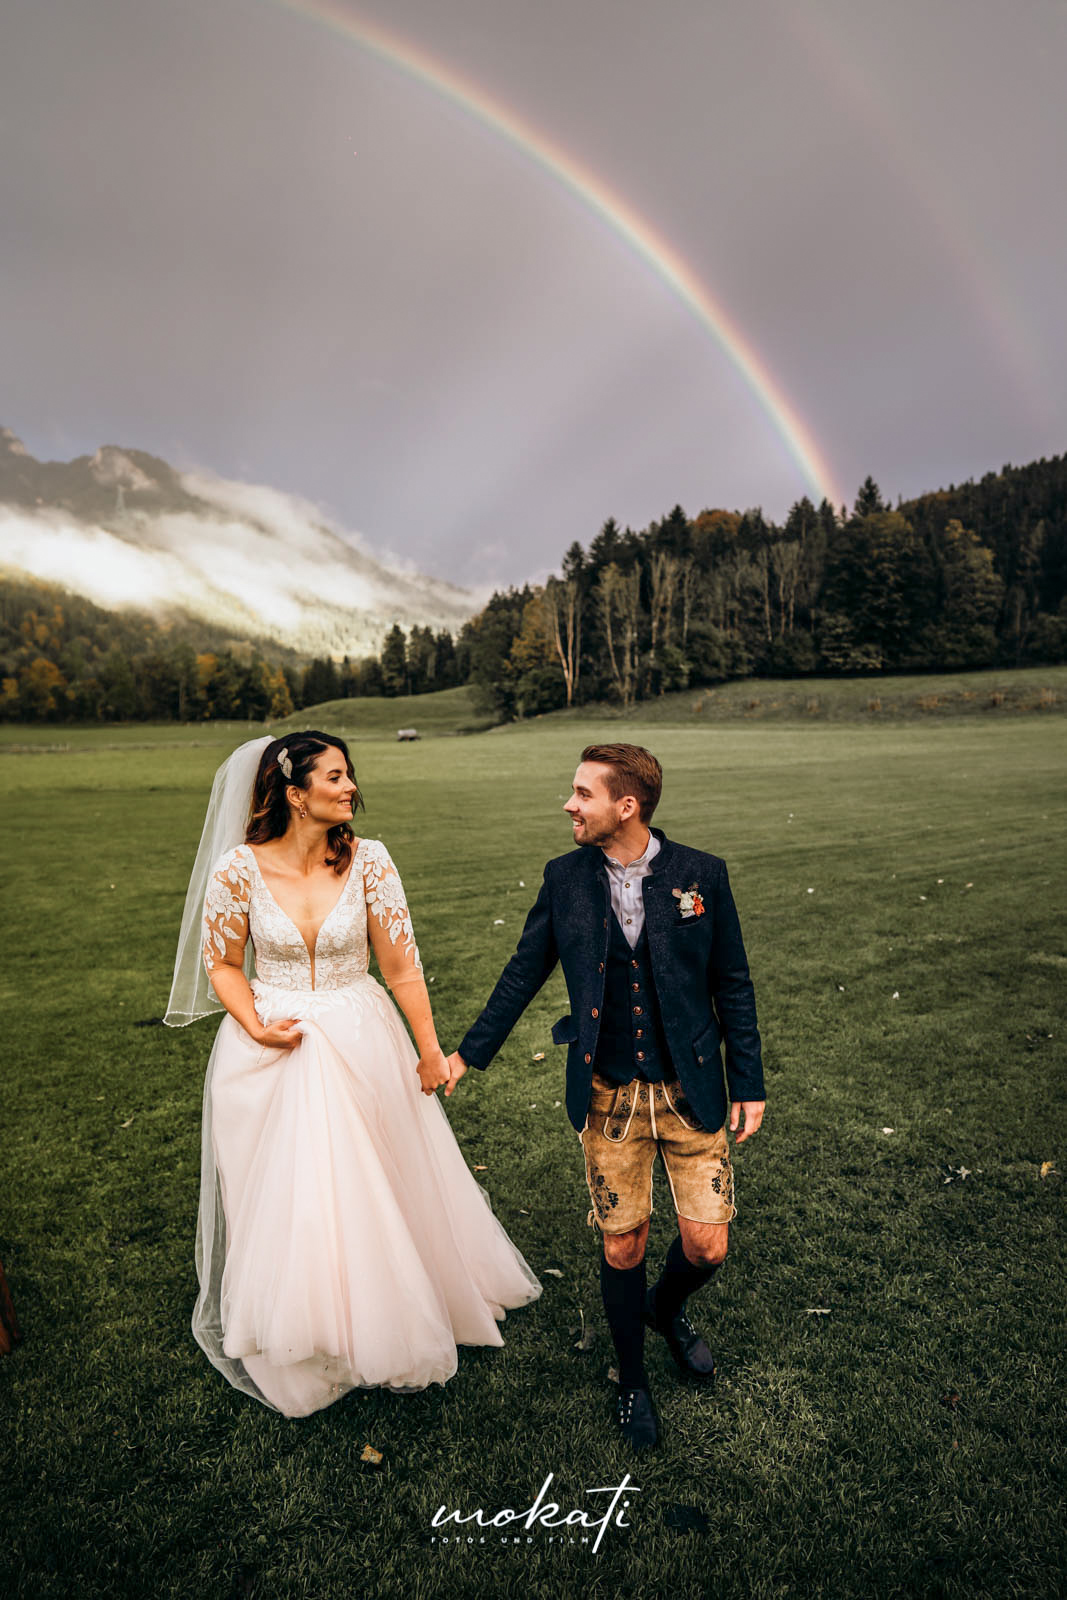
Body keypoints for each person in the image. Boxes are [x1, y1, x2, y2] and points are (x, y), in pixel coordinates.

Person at [165, 732, 540, 1417]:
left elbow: (400, 966)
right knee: (288, 1196)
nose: (349, 787)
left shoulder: (370, 862)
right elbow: (221, 963)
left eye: (349, 775)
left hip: (363, 1035)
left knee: (377, 1181)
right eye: (334, 777)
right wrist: (252, 1022)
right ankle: (302, 1331)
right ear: (293, 791)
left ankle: (390, 1314)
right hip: (270, 1047)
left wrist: (430, 1050)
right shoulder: (237, 871)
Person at [445, 743, 765, 1451]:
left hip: (691, 1093)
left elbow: (731, 982)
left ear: (627, 805)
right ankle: (632, 1381)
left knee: (705, 1247)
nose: (568, 804)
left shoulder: (699, 875)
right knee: (623, 1247)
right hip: (607, 1096)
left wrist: (748, 1080)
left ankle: (663, 1309)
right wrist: (468, 1053)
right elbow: (523, 969)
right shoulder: (564, 879)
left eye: (582, 793)